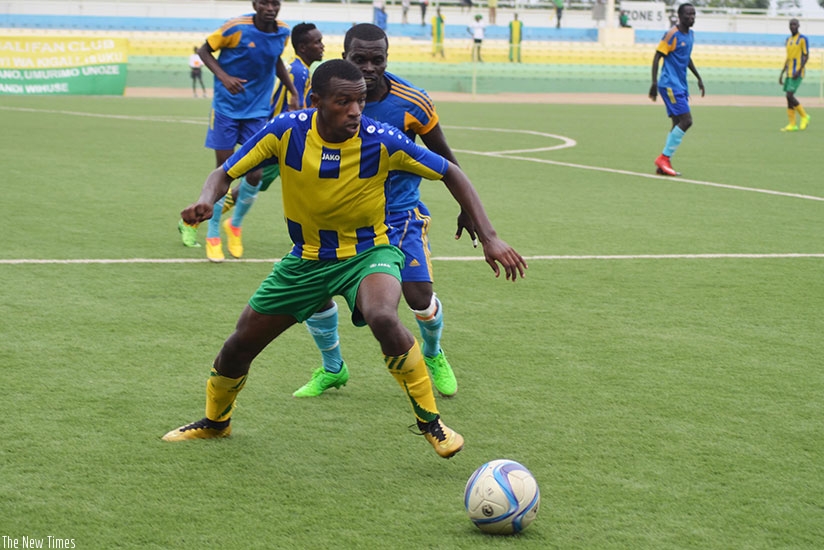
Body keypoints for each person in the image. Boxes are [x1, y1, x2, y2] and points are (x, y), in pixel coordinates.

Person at [162, 59, 528, 460]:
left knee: (384, 315)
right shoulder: (286, 132)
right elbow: (225, 172)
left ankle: (432, 424)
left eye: (361, 101)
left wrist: (490, 236)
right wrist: (204, 201)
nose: (356, 111)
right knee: (237, 347)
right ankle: (216, 423)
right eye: (344, 102)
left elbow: (452, 173)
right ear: (317, 101)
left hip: (368, 253)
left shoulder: (382, 140)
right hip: (307, 260)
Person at [292, 22, 473, 399]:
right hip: (338, 220)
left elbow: (443, 155)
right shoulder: (325, 95)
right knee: (313, 293)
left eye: (378, 59)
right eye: (360, 59)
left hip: (399, 217)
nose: (370, 67)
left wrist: (465, 206)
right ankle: (332, 368)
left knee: (419, 296)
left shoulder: (412, 101)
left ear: (387, 58)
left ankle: (434, 353)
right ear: (346, 57)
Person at [177, 0, 298, 260]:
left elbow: (275, 59)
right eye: (264, 3)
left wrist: (292, 89)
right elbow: (204, 51)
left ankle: (235, 225)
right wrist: (223, 77)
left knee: (255, 174)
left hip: (256, 111)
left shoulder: (283, 32)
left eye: (275, 3)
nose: (270, 8)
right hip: (226, 110)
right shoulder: (235, 28)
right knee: (226, 172)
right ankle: (212, 234)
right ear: (255, 4)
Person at [218, 22, 325, 249]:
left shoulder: (302, 70)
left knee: (255, 184)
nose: (322, 46)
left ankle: (217, 218)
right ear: (303, 47)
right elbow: (294, 111)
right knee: (254, 182)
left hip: (284, 140)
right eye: (317, 42)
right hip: (279, 141)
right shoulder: (298, 71)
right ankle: (201, 217)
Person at [648, 3, 704, 177]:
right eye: (688, 14)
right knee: (687, 121)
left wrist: (698, 77)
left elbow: (686, 58)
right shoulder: (672, 34)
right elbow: (658, 56)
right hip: (669, 84)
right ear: (680, 16)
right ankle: (663, 158)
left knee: (676, 123)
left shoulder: (691, 35)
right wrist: (654, 82)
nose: (692, 17)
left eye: (694, 14)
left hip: (680, 84)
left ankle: (664, 164)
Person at [779, 18, 810, 132]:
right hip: (789, 72)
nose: (793, 26)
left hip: (797, 72)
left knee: (790, 95)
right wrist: (782, 73)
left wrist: (799, 69)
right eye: (791, 24)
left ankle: (804, 116)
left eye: (795, 24)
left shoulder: (803, 39)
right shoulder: (788, 40)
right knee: (788, 98)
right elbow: (788, 57)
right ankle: (792, 124)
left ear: (798, 26)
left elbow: (806, 56)